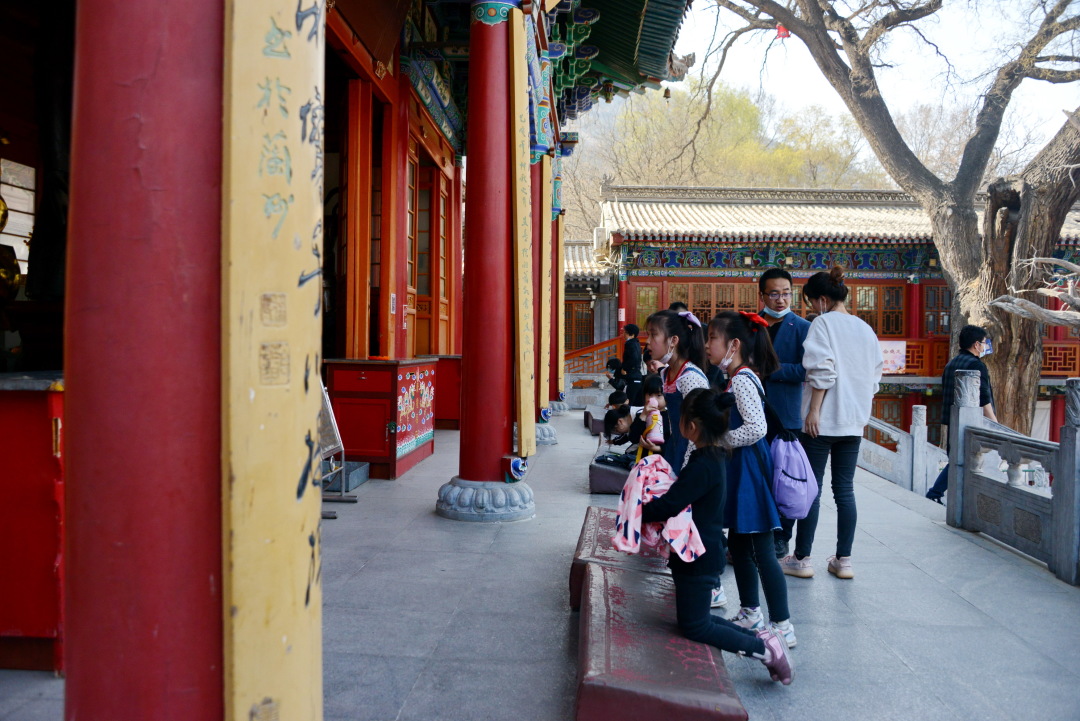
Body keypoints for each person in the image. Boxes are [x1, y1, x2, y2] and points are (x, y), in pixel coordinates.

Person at [640, 387, 794, 685]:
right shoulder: (712, 457)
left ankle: (764, 649)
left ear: (692, 427)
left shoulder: (702, 466)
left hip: (699, 556)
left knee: (696, 625)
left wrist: (636, 511)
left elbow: (671, 504)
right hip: (699, 552)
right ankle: (763, 639)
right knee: (697, 619)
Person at [779, 267, 883, 581]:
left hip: (821, 424)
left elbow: (822, 371)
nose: (810, 309)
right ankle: (844, 560)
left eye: (810, 303)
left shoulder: (822, 324)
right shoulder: (865, 329)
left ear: (823, 300)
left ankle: (802, 557)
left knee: (812, 491)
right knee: (845, 492)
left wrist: (813, 411)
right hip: (853, 423)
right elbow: (875, 378)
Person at [707, 311, 796, 648]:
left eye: (713, 338)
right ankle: (750, 611)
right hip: (742, 468)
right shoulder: (740, 376)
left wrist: (720, 440)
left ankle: (782, 623)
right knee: (742, 547)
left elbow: (756, 428)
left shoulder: (742, 379)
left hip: (749, 471)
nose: (707, 345)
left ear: (734, 345)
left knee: (760, 550)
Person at [645, 308, 727, 605]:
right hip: (678, 449)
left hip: (696, 453)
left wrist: (691, 463)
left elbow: (701, 423)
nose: (649, 341)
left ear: (673, 341)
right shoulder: (668, 373)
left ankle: (713, 584)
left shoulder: (691, 376)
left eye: (654, 335)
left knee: (701, 521)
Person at [758, 268, 811, 558]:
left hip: (787, 415)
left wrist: (771, 370)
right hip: (752, 412)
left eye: (786, 293)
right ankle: (755, 530)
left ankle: (782, 536)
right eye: (774, 294)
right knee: (757, 475)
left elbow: (807, 369)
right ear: (763, 295)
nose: (781, 299)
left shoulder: (803, 327)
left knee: (786, 477)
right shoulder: (751, 326)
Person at [925, 325, 997, 503]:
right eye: (983, 342)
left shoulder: (952, 363)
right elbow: (984, 398)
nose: (984, 346)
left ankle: (940, 494)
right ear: (976, 345)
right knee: (964, 460)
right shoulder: (976, 365)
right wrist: (995, 424)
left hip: (953, 420)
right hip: (971, 422)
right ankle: (935, 493)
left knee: (957, 459)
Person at [617, 323, 645, 405]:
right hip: (636, 376)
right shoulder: (635, 343)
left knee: (629, 402)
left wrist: (624, 368)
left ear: (632, 334)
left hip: (633, 376)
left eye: (625, 332)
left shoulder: (630, 344)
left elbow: (633, 359)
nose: (623, 334)